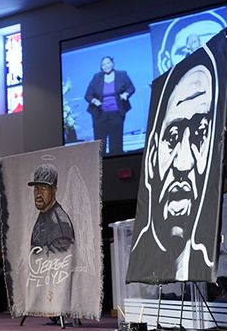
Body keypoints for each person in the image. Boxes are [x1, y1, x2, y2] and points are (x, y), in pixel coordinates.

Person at [131, 60, 218, 282]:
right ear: (151, 160)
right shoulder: (140, 258)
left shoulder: (204, 257)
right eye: (173, 136)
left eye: (200, 134)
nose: (184, 163)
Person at [25, 164, 75, 315]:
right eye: (36, 189)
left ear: (54, 190)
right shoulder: (43, 214)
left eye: (44, 188)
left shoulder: (60, 222)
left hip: (53, 293)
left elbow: (61, 267)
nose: (38, 194)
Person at [84, 56, 135, 155]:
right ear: (101, 67)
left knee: (116, 141)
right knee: (100, 142)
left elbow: (131, 88)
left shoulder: (122, 75)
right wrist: (94, 101)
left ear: (112, 63)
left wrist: (126, 94)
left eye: (108, 63)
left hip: (117, 113)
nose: (106, 66)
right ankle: (99, 165)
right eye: (103, 65)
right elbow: (87, 95)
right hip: (100, 113)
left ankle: (116, 161)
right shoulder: (96, 77)